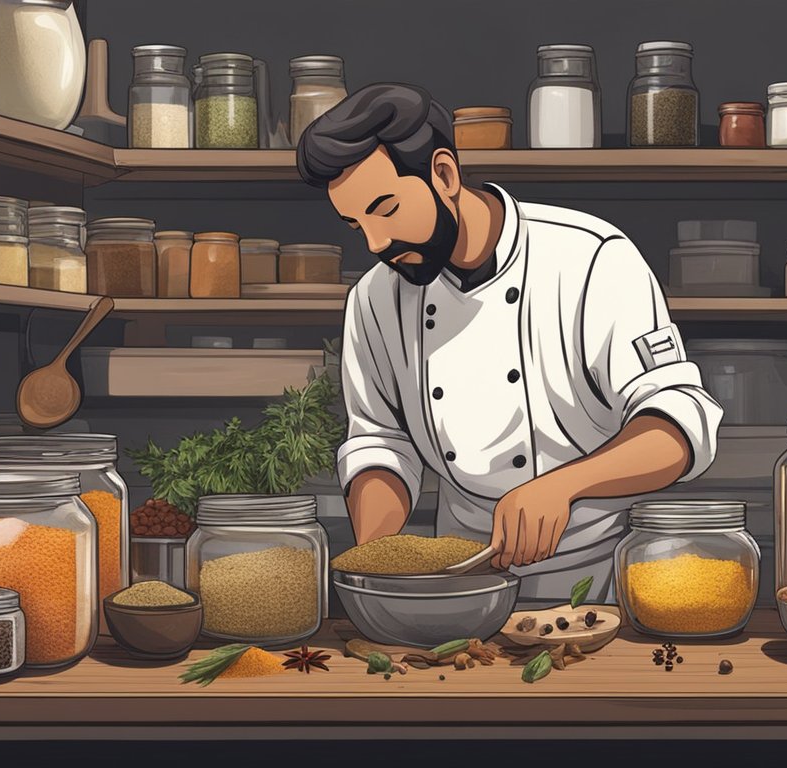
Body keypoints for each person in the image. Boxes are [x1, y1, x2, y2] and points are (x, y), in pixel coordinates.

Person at [298, 83, 724, 605]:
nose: (375, 243)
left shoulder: (590, 259)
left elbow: (679, 425)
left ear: (444, 174)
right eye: (355, 223)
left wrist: (564, 485)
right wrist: (380, 555)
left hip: (601, 577)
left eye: (384, 209)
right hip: (458, 582)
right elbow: (382, 443)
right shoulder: (373, 299)